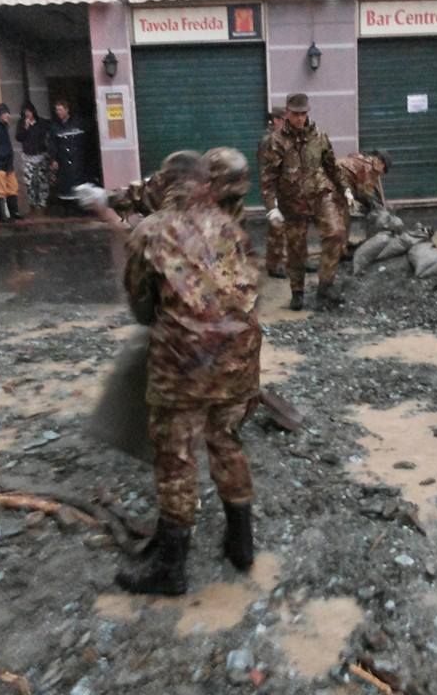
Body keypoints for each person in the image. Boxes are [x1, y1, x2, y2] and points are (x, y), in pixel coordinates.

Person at [116, 150, 261, 596]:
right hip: (239, 359)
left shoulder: (149, 231)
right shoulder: (231, 225)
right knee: (227, 442)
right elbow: (250, 285)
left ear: (166, 183)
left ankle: (171, 568)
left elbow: (141, 307)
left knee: (176, 458)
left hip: (182, 366)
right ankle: (241, 545)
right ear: (205, 184)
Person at [260, 93, 347, 311]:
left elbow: (332, 166)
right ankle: (297, 292)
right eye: (295, 114)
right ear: (287, 113)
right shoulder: (275, 141)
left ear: (308, 113)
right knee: (297, 248)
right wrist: (272, 208)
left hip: (320, 195)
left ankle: (325, 287)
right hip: (293, 201)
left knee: (336, 233)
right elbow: (267, 178)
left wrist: (345, 189)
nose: (299, 118)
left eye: (303, 114)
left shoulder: (319, 136)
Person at [336, 149, 392, 248]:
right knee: (342, 218)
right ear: (381, 164)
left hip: (340, 180)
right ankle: (340, 250)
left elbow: (368, 188)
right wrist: (374, 205)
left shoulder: (367, 160)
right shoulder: (368, 168)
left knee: (345, 216)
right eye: (383, 171)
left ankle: (342, 245)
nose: (381, 174)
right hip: (337, 182)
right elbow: (363, 192)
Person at [257, 106, 287, 278]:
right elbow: (265, 172)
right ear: (276, 120)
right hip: (274, 190)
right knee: (277, 227)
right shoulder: (268, 141)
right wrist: (271, 202)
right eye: (284, 119)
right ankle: (274, 265)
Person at [48, 99, 90, 217]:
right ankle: (66, 210)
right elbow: (52, 144)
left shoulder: (77, 123)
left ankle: (79, 209)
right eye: (57, 110)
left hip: (77, 160)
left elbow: (84, 141)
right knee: (65, 185)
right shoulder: (55, 127)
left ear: (67, 110)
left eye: (60, 110)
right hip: (63, 160)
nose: (58, 112)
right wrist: (54, 159)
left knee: (78, 185)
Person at [15, 101, 51, 218]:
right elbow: (19, 137)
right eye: (25, 112)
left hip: (41, 155)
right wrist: (25, 127)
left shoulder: (42, 123)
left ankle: (42, 204)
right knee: (29, 182)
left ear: (33, 111)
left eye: (29, 111)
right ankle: (32, 205)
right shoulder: (21, 123)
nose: (27, 114)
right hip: (28, 156)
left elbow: (47, 134)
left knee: (42, 181)